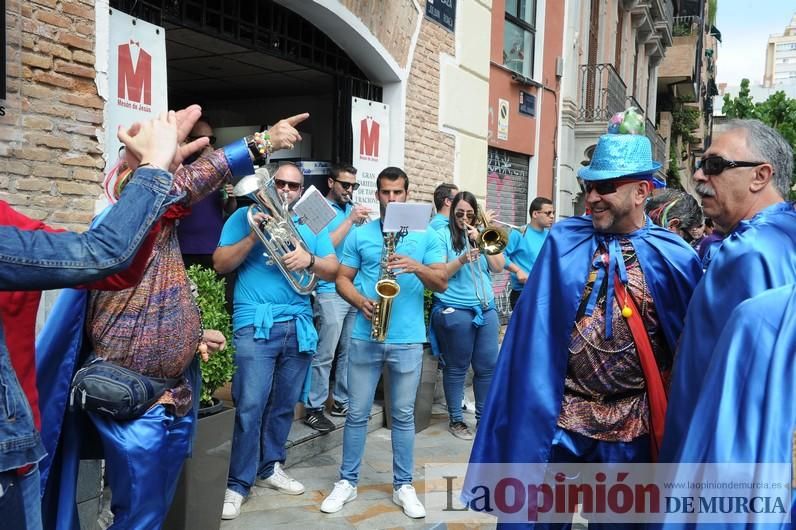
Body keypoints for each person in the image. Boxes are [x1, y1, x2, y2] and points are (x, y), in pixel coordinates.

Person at [37, 111, 311, 529]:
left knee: (152, 510)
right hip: (134, 400)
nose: (175, 183)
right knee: (141, 514)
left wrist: (194, 334)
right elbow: (174, 191)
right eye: (163, 172)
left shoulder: (156, 230)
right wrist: (262, 143)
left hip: (170, 395)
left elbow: (146, 304)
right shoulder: (121, 222)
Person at [464, 119, 702, 526]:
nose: (591, 197)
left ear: (641, 191)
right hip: (559, 425)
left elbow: (691, 352)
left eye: (605, 187)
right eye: (588, 187)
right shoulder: (564, 241)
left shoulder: (674, 256)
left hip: (630, 431)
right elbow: (531, 338)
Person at [0, 111, 183, 530]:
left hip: (21, 447)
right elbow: (103, 253)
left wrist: (151, 175)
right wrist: (153, 171)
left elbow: (111, 267)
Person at [662, 119, 796, 463]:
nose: (698, 176)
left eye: (715, 165)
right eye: (701, 164)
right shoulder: (782, 235)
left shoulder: (752, 250)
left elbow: (751, 393)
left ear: (760, 176)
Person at [320, 166, 447, 519]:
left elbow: (442, 283)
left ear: (408, 194)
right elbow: (342, 279)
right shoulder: (361, 234)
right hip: (365, 335)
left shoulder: (425, 236)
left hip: (407, 339)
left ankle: (403, 485)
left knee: (403, 416)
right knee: (357, 413)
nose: (392, 199)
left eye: (398, 193)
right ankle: (347, 481)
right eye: (385, 193)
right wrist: (359, 301)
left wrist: (416, 267)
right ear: (376, 195)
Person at [217, 162, 338, 520]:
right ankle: (238, 484)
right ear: (270, 183)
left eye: (293, 186)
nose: (286, 191)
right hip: (255, 322)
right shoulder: (243, 217)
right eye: (280, 184)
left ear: (302, 191)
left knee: (283, 405)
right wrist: (254, 236)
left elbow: (332, 268)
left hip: (297, 324)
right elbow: (221, 263)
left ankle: (270, 467)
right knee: (250, 404)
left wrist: (309, 258)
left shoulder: (310, 220)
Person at [430, 191, 505, 440]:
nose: (464, 218)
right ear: (452, 213)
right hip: (455, 307)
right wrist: (461, 259)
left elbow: (498, 267)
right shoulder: (442, 235)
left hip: (486, 307)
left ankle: (483, 420)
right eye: (460, 213)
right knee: (457, 367)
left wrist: (482, 240)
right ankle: (456, 419)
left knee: (487, 367)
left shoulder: (482, 235)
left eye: (470, 214)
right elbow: (439, 275)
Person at [304, 163, 370, 433]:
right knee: (325, 353)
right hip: (329, 290)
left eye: (354, 186)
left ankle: (340, 401)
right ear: (331, 183)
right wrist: (350, 221)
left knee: (349, 351)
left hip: (353, 289)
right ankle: (313, 407)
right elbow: (319, 247)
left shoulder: (348, 210)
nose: (350, 190)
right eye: (345, 185)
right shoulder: (314, 205)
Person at [177, 119, 237, 270]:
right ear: (188, 140)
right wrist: (205, 161)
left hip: (213, 244)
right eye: (203, 139)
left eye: (212, 139)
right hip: (184, 246)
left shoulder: (220, 167)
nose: (209, 143)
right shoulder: (179, 163)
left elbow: (229, 208)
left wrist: (231, 197)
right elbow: (182, 187)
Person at [502, 196, 554, 309]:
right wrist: (518, 270)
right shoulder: (519, 233)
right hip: (523, 294)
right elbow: (500, 256)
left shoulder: (551, 236)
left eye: (553, 213)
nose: (552, 216)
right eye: (548, 213)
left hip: (545, 294)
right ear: (535, 214)